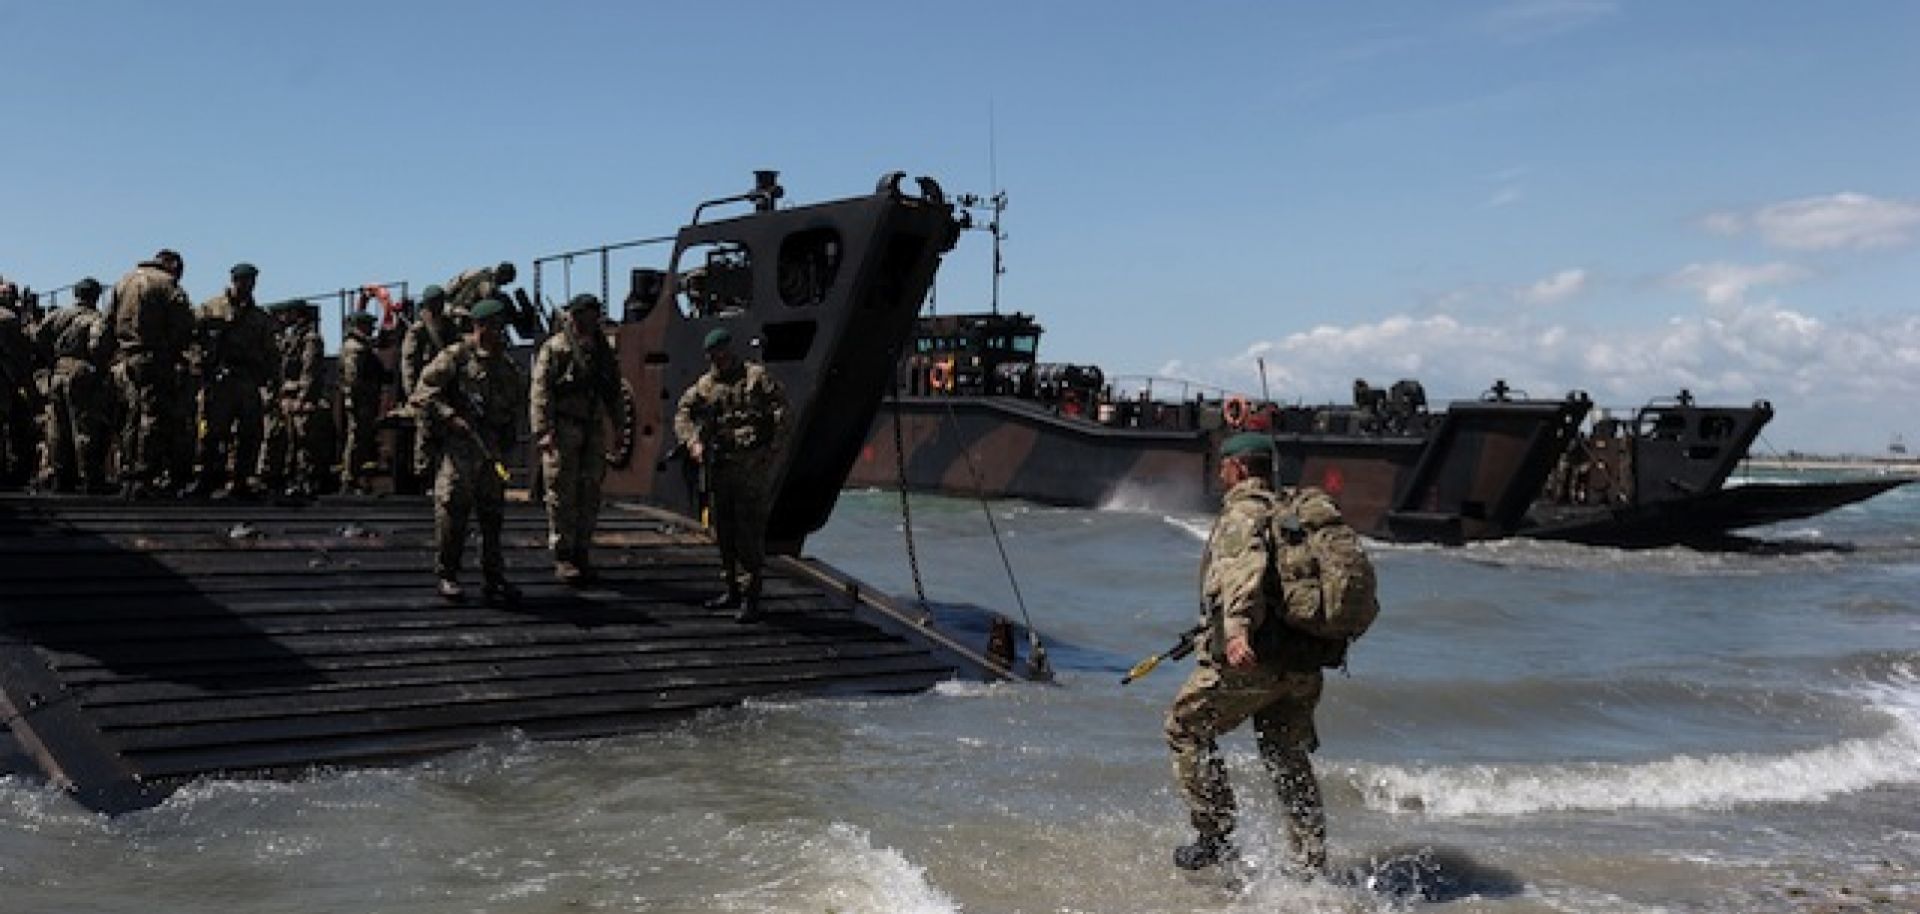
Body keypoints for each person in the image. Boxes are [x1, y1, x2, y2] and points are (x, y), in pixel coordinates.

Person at [1163, 431, 1327, 875]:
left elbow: (1245, 572)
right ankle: (1310, 860)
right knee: (1284, 751)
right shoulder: (1292, 514)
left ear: (1237, 469)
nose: (1219, 474)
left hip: (1254, 655)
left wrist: (1235, 633)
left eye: (1223, 466)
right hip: (1305, 660)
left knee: (1185, 725)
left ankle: (1214, 832)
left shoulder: (1242, 514)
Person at [410, 297, 525, 602]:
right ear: (479, 326)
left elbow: (515, 404)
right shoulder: (457, 357)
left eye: (503, 327)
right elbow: (422, 392)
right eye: (495, 326)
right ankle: (447, 574)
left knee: (492, 513)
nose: (500, 333)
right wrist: (450, 416)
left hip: (491, 448)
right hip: (460, 445)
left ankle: (493, 575)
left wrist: (506, 438)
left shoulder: (506, 364)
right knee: (452, 511)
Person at [673, 327, 788, 622]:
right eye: (714, 356)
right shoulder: (706, 385)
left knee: (749, 531)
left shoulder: (755, 379)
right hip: (721, 467)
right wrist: (692, 441)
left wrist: (773, 447)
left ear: (729, 350)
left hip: (750, 467)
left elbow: (782, 410)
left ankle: (751, 596)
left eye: (722, 353)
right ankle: (732, 589)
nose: (719, 360)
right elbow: (683, 411)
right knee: (724, 530)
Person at [530, 293, 620, 583]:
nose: (592, 320)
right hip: (564, 426)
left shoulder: (602, 350)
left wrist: (619, 427)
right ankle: (563, 554)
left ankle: (582, 550)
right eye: (586, 314)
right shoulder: (556, 348)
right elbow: (540, 391)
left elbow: (613, 389)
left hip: (592, 425)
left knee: (590, 489)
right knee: (561, 492)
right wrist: (543, 430)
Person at [111, 249, 195, 498]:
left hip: (126, 357)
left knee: (131, 415)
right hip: (155, 358)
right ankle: (143, 476)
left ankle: (126, 471)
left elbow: (109, 320)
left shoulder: (124, 280)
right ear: (171, 265)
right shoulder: (166, 284)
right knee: (153, 416)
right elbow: (184, 324)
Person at [191, 263, 277, 497]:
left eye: (250, 281)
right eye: (242, 280)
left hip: (247, 379)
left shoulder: (260, 318)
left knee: (249, 432)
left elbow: (270, 352)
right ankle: (207, 478)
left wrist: (270, 381)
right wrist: (199, 369)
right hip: (219, 378)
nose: (246, 285)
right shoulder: (211, 308)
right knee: (212, 432)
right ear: (233, 281)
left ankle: (240, 480)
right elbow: (194, 340)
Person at [39, 278, 116, 492]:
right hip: (82, 373)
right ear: (96, 296)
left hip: (58, 372)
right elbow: (98, 345)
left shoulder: (57, 315)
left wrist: (53, 359)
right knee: (84, 426)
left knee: (58, 427)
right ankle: (91, 478)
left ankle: (62, 476)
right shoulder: (95, 319)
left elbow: (39, 337)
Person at [259, 300, 326, 498]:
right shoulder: (288, 337)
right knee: (281, 438)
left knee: (301, 440)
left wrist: (303, 397)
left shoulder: (310, 338)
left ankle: (302, 479)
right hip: (284, 394)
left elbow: (309, 369)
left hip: (297, 395)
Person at [400, 284, 453, 485]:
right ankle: (423, 476)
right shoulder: (419, 329)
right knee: (426, 431)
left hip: (446, 386)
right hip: (426, 388)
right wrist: (413, 393)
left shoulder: (448, 325)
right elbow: (409, 363)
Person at [338, 310, 386, 493]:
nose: (371, 329)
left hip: (366, 398)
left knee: (361, 436)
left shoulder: (360, 345)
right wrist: (351, 398)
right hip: (361, 399)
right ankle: (349, 477)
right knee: (356, 436)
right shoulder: (355, 348)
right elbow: (352, 377)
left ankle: (355, 475)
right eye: (368, 325)